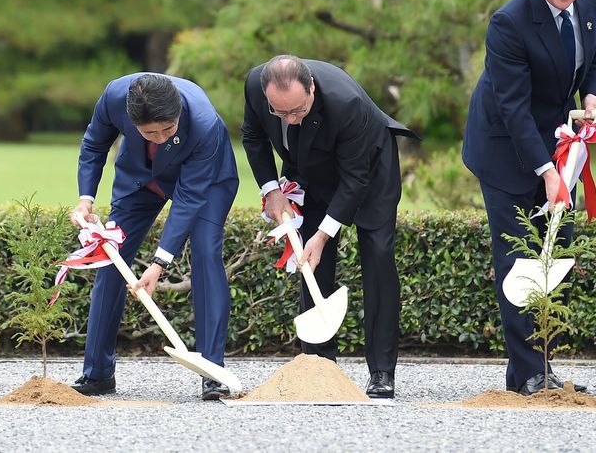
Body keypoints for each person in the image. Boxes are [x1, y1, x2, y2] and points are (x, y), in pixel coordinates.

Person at [462, 0, 596, 395]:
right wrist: (546, 172)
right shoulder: (509, 22)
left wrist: (591, 95)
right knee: (520, 257)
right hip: (506, 146)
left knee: (555, 251)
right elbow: (513, 107)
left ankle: (539, 367)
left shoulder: (591, 0)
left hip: (558, 139)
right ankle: (529, 373)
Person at [242, 55, 417, 398]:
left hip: (368, 169)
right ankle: (318, 362)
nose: (290, 120)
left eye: (298, 111)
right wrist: (271, 190)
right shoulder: (254, 84)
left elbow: (354, 181)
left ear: (311, 89)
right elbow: (253, 136)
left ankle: (382, 371)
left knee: (378, 256)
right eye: (281, 113)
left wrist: (323, 235)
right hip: (309, 171)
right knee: (310, 261)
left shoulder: (345, 102)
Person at [68, 73, 239, 400]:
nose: (160, 138)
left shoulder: (204, 124)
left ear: (178, 115)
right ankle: (98, 374)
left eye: (168, 129)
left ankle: (212, 372)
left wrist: (159, 263)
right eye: (149, 132)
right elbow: (93, 144)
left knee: (205, 254)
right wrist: (85, 199)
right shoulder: (114, 96)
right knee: (111, 261)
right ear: (131, 122)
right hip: (140, 180)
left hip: (205, 183)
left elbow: (188, 199)